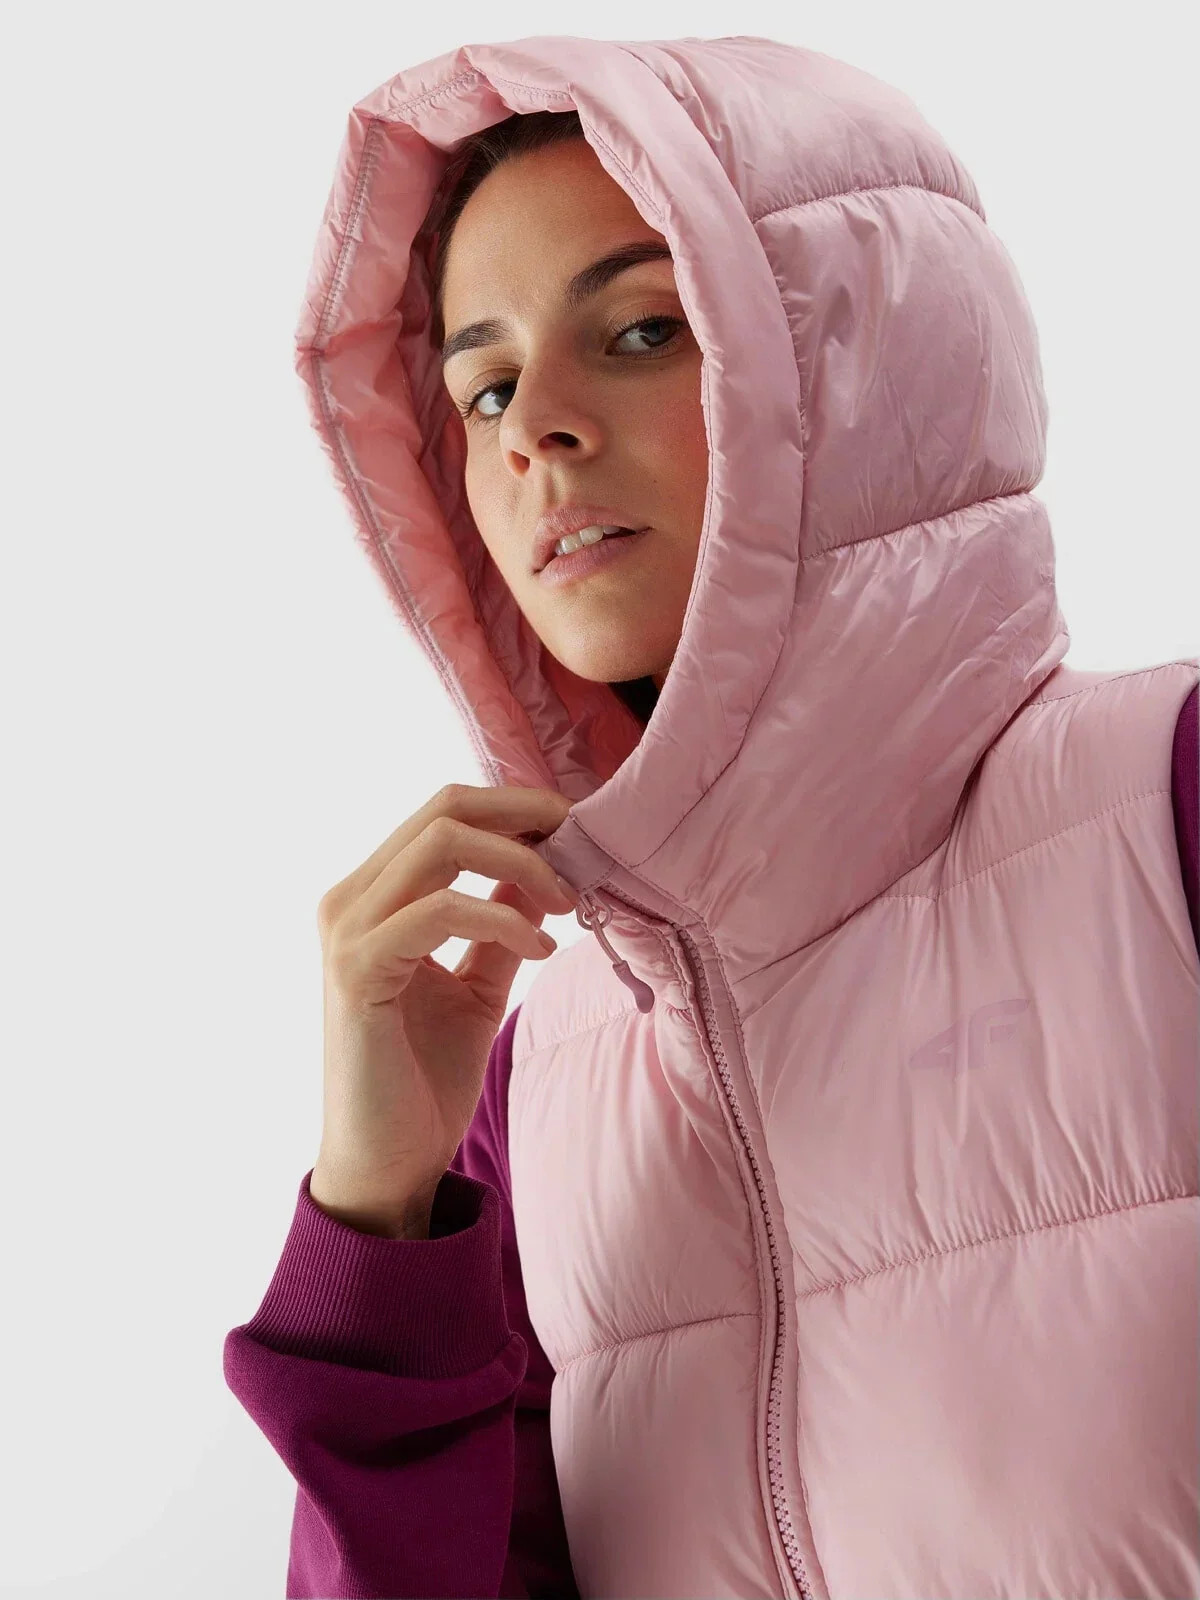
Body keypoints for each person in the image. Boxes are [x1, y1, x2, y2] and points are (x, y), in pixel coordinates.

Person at [223, 35, 1200, 1600]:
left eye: (639, 329)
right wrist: (380, 1229)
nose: (532, 428)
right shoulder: (533, 1082)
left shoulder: (1168, 809)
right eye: (483, 385)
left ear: (855, 365)